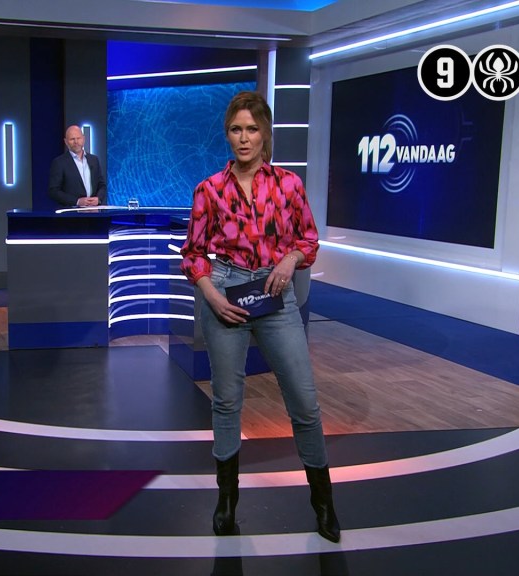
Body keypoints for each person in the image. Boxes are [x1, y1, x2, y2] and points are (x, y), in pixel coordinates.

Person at [180, 91, 340, 543]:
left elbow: (308, 239)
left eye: (252, 129)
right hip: (225, 294)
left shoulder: (288, 184)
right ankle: (227, 501)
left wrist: (290, 260)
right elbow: (192, 254)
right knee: (227, 402)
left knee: (304, 402)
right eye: (236, 129)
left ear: (265, 133)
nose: (244, 138)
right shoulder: (209, 189)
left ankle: (323, 502)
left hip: (275, 294)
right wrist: (210, 294)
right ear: (227, 135)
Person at [48, 125, 107, 207]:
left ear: (83, 139)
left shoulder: (94, 160)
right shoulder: (59, 162)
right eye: (72, 139)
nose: (76, 142)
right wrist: (77, 201)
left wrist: (98, 198)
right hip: (71, 212)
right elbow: (54, 191)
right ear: (66, 142)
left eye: (78, 138)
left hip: (93, 211)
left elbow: (102, 185)